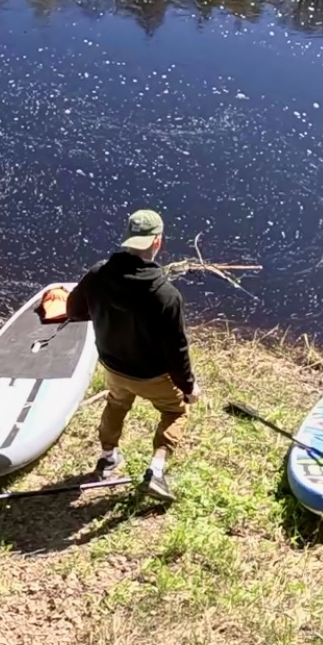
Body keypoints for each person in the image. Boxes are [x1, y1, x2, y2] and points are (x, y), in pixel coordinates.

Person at [66, 207, 196, 502]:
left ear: (127, 239)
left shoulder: (98, 273)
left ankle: (108, 456)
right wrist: (188, 388)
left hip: (113, 367)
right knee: (175, 411)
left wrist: (100, 312)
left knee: (117, 403)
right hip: (152, 375)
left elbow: (73, 310)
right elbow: (177, 349)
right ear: (157, 242)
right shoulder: (166, 294)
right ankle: (156, 472)